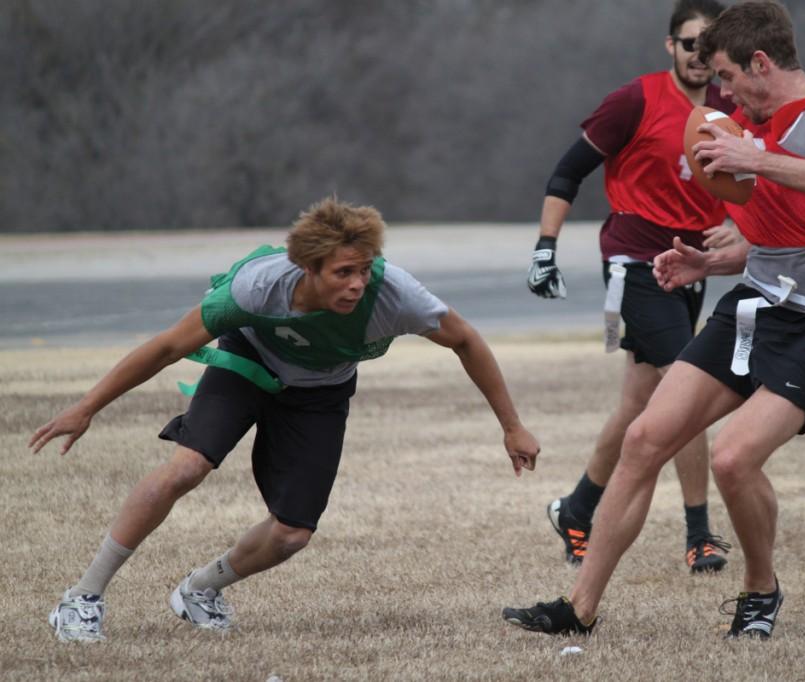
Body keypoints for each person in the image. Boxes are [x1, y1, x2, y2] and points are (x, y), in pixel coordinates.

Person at [504, 0, 805, 639]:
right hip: (755, 305)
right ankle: (578, 609)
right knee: (643, 439)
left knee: (734, 459)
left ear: (760, 62)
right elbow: (788, 233)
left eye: (729, 75)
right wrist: (707, 266)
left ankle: (760, 589)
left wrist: (756, 158)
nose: (724, 91)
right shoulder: (747, 121)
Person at [33, 197, 540, 642]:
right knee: (186, 468)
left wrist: (511, 425)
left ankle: (200, 590)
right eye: (343, 272)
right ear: (307, 269)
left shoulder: (394, 294)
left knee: (292, 535)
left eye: (364, 269)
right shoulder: (258, 288)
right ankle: (82, 598)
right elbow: (168, 346)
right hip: (247, 364)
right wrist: (87, 407)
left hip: (320, 391)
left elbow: (465, 340)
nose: (357, 283)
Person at [526, 0, 738, 573]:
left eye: (709, 45)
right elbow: (566, 173)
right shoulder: (636, 100)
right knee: (687, 388)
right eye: (689, 43)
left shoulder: (731, 105)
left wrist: (738, 224)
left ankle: (576, 509)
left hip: (692, 267)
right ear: (670, 45)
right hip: (635, 264)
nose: (699, 55)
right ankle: (700, 535)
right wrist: (545, 248)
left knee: (637, 405)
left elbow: (756, 181)